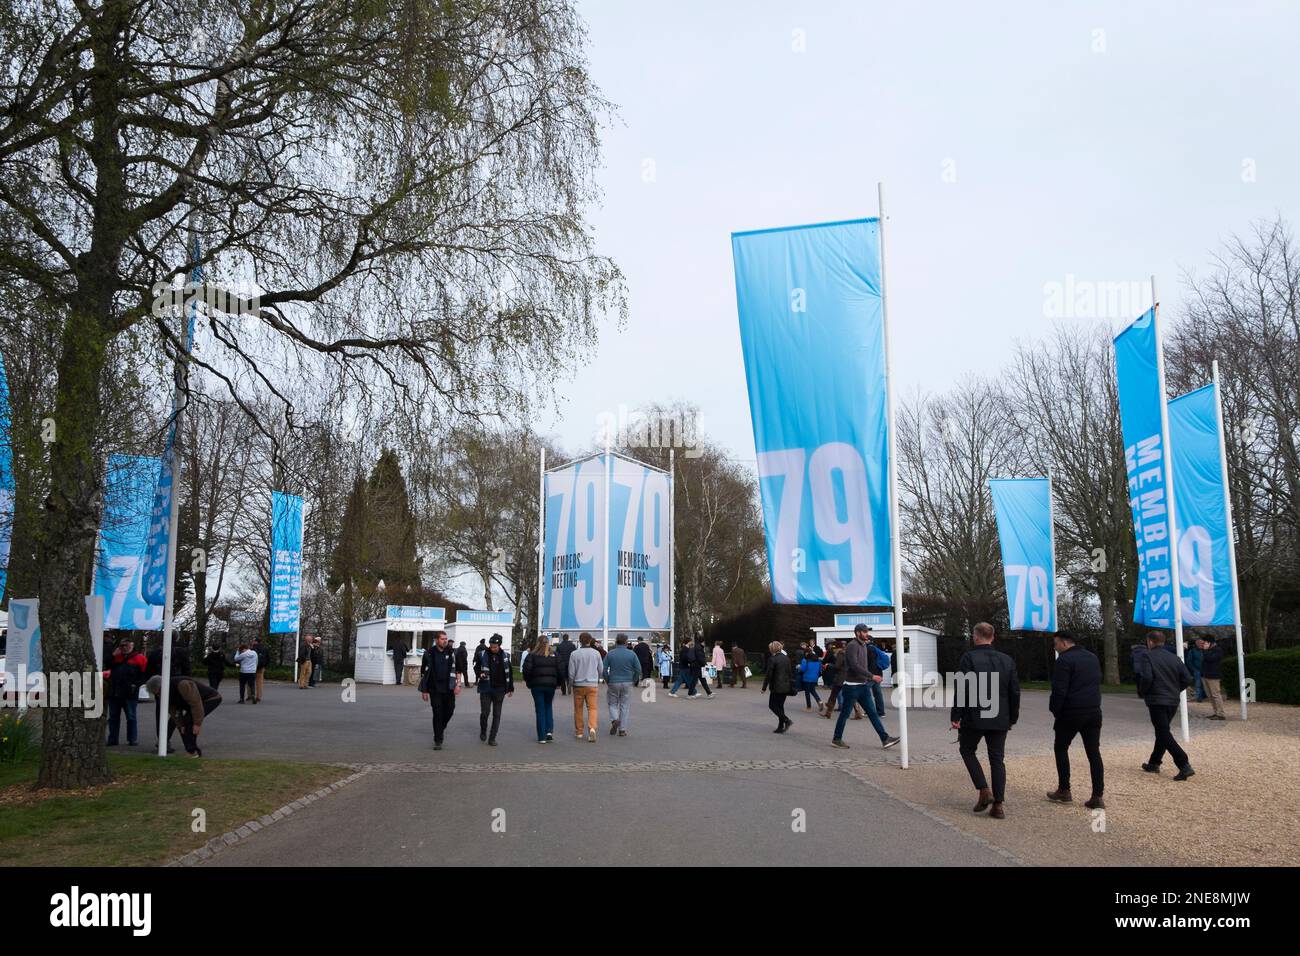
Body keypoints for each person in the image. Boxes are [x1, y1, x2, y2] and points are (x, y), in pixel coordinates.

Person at [950, 622, 1020, 819]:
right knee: (997, 759)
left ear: (976, 636)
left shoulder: (969, 658)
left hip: (975, 715)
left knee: (967, 750)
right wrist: (1012, 718)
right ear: (993, 636)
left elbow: (963, 688)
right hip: (1000, 717)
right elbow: (1014, 692)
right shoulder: (1007, 660)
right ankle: (998, 805)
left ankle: (983, 790)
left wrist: (956, 716)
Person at [1046, 630, 1105, 809]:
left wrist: (1055, 709)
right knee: (1093, 752)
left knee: (1061, 748)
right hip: (1093, 710)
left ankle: (1064, 789)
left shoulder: (1064, 660)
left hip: (1071, 711)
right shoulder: (1092, 657)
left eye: (1056, 643)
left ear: (1064, 643)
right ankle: (1097, 794)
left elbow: (1059, 689)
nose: (1055, 647)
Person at [1134, 631, 1196, 780]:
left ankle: (1183, 763)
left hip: (1157, 700)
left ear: (1150, 641)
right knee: (1163, 731)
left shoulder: (1147, 656)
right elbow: (1187, 678)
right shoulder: (1174, 658)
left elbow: (1147, 677)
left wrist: (1143, 691)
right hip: (1173, 699)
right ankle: (1154, 762)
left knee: (1163, 732)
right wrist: (1176, 689)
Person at [831, 625, 900, 750]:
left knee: (873, 713)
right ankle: (836, 739)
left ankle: (885, 739)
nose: (867, 633)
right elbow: (854, 665)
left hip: (862, 686)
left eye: (867, 631)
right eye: (864, 631)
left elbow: (863, 665)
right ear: (858, 633)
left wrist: (869, 677)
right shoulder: (852, 645)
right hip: (851, 687)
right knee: (845, 714)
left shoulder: (864, 646)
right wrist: (872, 676)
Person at [147, 673, 221, 757]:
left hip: (210, 699)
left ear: (162, 686)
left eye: (158, 692)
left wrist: (197, 723)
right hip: (191, 703)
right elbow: (174, 710)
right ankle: (190, 750)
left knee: (189, 721)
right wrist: (180, 724)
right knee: (183, 726)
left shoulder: (183, 684)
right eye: (156, 694)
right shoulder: (164, 693)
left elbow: (196, 704)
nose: (158, 695)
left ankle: (193, 752)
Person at [419, 630, 461, 750]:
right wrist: (424, 691)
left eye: (446, 639)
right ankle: (438, 739)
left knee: (450, 710)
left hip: (449, 688)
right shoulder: (429, 653)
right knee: (437, 714)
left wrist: (458, 684)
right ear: (436, 640)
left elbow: (457, 670)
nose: (445, 641)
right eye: (442, 639)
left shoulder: (451, 652)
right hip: (434, 689)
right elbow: (424, 673)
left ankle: (440, 729)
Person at [104, 637, 148, 746]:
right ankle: (113, 739)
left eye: (126, 645)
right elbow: (106, 664)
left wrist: (136, 685)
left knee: (131, 716)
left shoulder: (139, 658)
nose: (124, 648)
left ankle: (132, 739)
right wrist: (113, 655)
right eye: (122, 646)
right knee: (113, 717)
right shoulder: (115, 657)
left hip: (130, 693)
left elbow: (145, 674)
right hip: (115, 691)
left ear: (131, 646)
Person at [474, 634, 514, 746]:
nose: (493, 648)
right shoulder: (482, 654)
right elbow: (476, 667)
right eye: (491, 646)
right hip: (486, 688)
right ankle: (483, 730)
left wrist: (510, 688)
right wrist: (479, 673)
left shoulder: (505, 656)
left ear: (499, 645)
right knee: (485, 713)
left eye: (495, 646)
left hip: (500, 689)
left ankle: (492, 738)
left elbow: (509, 672)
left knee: (497, 715)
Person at [522, 637, 561, 743]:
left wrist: (528, 682)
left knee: (540, 710)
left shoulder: (532, 656)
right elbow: (560, 670)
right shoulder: (555, 655)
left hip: (536, 686)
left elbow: (526, 670)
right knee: (548, 706)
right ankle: (549, 731)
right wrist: (559, 683)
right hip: (550, 685)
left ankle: (541, 736)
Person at [604, 634, 641, 736]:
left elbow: (603, 669)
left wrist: (608, 680)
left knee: (612, 703)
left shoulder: (610, 654)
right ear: (626, 642)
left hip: (613, 682)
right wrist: (634, 680)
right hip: (628, 682)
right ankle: (622, 730)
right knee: (625, 706)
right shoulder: (632, 654)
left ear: (616, 642)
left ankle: (615, 719)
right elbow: (638, 669)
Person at [569, 632, 603, 742]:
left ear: (580, 641)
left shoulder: (574, 654)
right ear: (590, 641)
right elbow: (601, 669)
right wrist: (598, 678)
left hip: (578, 685)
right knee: (592, 708)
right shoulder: (596, 653)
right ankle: (592, 728)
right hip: (592, 684)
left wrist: (571, 682)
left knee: (578, 709)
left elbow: (571, 671)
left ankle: (579, 731)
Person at [761, 641, 793, 732]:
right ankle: (780, 726)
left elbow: (769, 675)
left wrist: (764, 687)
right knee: (780, 706)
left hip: (776, 686)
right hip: (786, 686)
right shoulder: (786, 658)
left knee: (772, 705)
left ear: (772, 649)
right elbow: (790, 673)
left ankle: (786, 720)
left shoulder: (772, 659)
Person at [1198, 636, 1226, 719]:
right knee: (1210, 695)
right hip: (1205, 675)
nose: (1203, 645)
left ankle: (1221, 714)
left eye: (1205, 643)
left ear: (1210, 643)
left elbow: (1210, 659)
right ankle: (1216, 712)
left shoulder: (1218, 650)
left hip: (1213, 676)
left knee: (1216, 695)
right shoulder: (1207, 650)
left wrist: (1205, 650)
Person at [819, 641, 843, 717]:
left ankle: (829, 711)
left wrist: (828, 665)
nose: (833, 650)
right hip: (841, 676)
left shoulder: (840, 654)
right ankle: (829, 712)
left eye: (834, 648)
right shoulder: (844, 653)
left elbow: (837, 666)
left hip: (839, 676)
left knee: (835, 694)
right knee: (835, 694)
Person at [1185, 637, 1205, 703]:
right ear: (1197, 643)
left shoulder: (1205, 650)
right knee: (1198, 684)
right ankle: (1199, 698)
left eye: (1202, 643)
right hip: (1197, 670)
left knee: (1205, 684)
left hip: (1205, 670)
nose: (1201, 644)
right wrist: (1194, 669)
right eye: (1200, 643)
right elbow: (1189, 661)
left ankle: (1204, 696)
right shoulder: (1192, 651)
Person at [251, 637, 269, 702]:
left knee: (250, 682)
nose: (252, 642)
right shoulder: (265, 648)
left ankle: (250, 695)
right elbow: (268, 658)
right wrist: (265, 666)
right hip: (261, 667)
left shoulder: (252, 649)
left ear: (256, 641)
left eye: (253, 640)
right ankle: (258, 696)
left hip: (252, 667)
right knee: (259, 683)